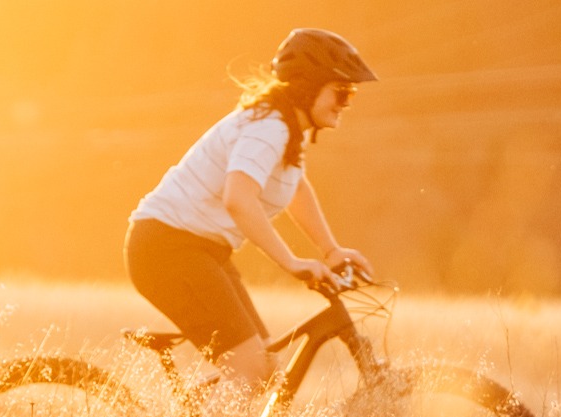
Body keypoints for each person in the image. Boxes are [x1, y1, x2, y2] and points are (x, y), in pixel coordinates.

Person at [124, 28, 379, 393]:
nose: (346, 102)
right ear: (308, 87)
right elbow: (238, 199)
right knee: (248, 367)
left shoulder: (291, 128)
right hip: (168, 248)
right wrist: (292, 262)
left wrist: (331, 250)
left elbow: (296, 189)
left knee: (265, 371)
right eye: (341, 92)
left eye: (350, 93)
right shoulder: (269, 128)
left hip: (201, 250)